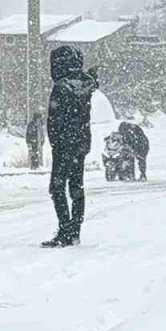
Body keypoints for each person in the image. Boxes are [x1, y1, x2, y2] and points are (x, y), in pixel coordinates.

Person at [43, 46, 98, 248]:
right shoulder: (85, 86)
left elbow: (55, 120)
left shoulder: (61, 87)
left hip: (64, 144)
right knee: (76, 186)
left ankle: (64, 229)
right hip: (81, 142)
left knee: (57, 187)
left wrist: (55, 141)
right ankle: (75, 230)